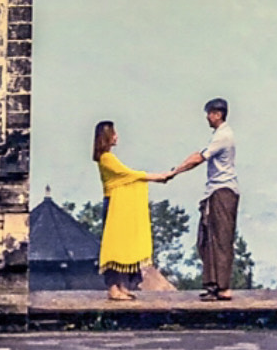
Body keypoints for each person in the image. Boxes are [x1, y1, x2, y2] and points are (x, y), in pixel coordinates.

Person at [163, 97, 238, 301]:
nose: (207, 117)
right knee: (207, 239)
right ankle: (213, 284)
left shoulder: (224, 136)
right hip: (215, 191)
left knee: (220, 239)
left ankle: (222, 287)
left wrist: (175, 172)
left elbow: (199, 158)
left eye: (210, 113)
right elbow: (199, 154)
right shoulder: (219, 136)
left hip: (222, 190)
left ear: (218, 114)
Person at [93, 120, 169, 302]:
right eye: (114, 133)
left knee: (124, 245)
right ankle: (113, 288)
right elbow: (130, 175)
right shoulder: (106, 158)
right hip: (114, 205)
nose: (117, 136)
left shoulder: (109, 157)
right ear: (107, 136)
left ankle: (123, 286)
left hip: (120, 206)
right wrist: (157, 177)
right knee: (114, 248)